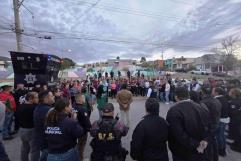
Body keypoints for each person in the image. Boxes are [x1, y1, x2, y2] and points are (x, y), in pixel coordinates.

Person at [166, 87, 211, 161]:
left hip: (182, 151)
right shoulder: (200, 106)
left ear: (176, 97)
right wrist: (205, 140)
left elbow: (177, 134)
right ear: (188, 95)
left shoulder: (174, 111)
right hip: (199, 148)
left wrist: (196, 144)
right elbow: (208, 126)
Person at [200, 87, 222, 161]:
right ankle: (215, 158)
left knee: (208, 145)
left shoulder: (204, 102)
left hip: (209, 126)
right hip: (216, 124)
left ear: (203, 92)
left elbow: (203, 116)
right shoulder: (216, 100)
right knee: (213, 142)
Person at [34, 90, 55, 161]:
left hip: (42, 139)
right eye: (52, 96)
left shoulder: (39, 107)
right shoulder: (49, 110)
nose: (53, 97)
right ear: (46, 99)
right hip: (47, 142)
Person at [18, 92, 40, 161]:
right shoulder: (34, 108)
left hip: (22, 130)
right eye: (36, 97)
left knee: (24, 148)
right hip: (31, 130)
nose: (38, 99)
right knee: (34, 150)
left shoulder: (21, 106)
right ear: (30, 99)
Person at [72, 94, 91, 161]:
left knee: (74, 146)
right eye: (83, 98)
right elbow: (86, 121)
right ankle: (80, 159)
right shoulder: (83, 109)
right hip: (82, 131)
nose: (84, 100)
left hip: (73, 131)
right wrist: (89, 129)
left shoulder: (72, 107)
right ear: (80, 99)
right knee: (81, 148)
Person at [212, 87, 230, 156]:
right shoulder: (225, 98)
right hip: (225, 119)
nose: (212, 92)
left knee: (219, 135)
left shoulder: (217, 99)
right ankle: (223, 148)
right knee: (222, 135)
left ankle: (221, 150)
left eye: (213, 91)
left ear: (217, 92)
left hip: (220, 119)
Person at [228, 88, 241, 152]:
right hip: (238, 119)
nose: (229, 92)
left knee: (237, 133)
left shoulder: (234, 102)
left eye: (230, 91)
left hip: (235, 120)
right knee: (237, 132)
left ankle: (238, 147)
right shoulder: (238, 100)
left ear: (234, 94)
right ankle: (236, 142)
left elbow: (233, 112)